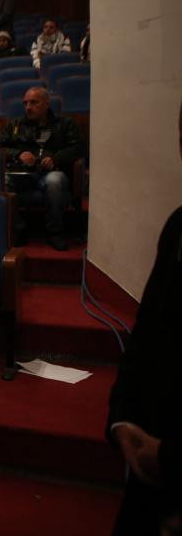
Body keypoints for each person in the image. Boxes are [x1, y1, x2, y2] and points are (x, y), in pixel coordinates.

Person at [106, 105, 182, 534]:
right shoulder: (177, 227)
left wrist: (171, 458)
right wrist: (122, 418)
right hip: (149, 440)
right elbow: (147, 332)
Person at [0, 87, 82, 250]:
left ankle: (54, 232)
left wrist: (55, 159)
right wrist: (19, 154)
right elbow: (0, 148)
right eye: (25, 103)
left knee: (54, 181)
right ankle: (18, 229)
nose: (28, 107)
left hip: (52, 171)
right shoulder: (15, 124)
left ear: (46, 104)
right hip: (23, 173)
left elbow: (77, 148)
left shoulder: (65, 123)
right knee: (2, 180)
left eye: (33, 102)